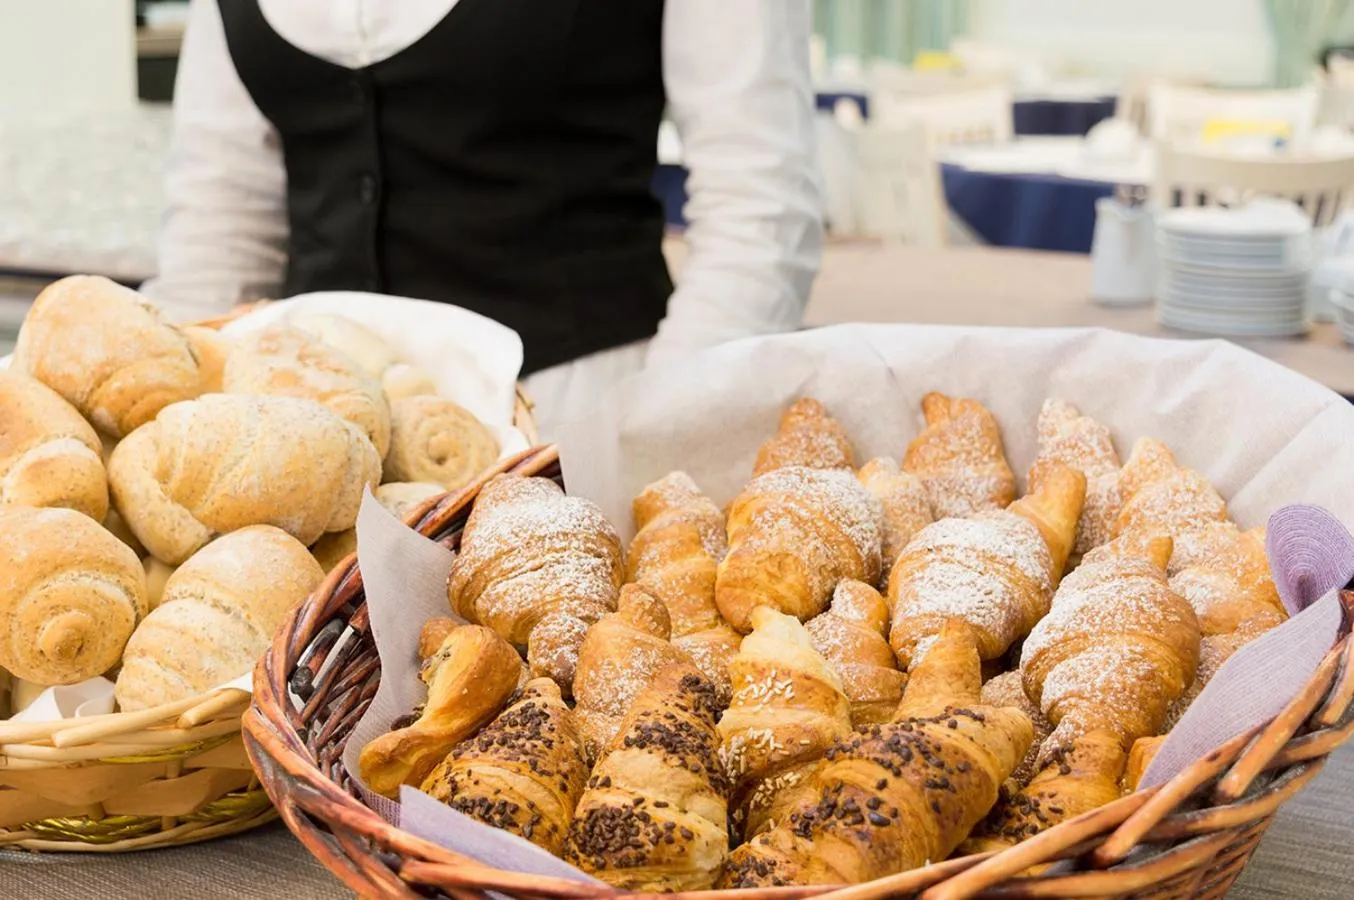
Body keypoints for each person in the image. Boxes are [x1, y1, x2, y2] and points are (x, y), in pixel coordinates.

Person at [143, 0, 823, 435]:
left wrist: (649, 439)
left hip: (570, 415)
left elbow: (760, 209)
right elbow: (220, 213)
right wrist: (170, 425)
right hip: (311, 434)